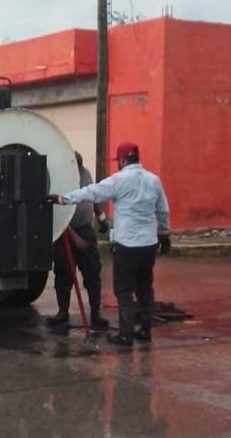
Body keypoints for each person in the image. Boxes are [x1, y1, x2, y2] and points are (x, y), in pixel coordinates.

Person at [52, 142, 170, 347]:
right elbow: (163, 210)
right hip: (148, 244)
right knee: (144, 287)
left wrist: (63, 199)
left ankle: (125, 335)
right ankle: (145, 330)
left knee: (124, 290)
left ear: (123, 160)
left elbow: (91, 192)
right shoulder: (154, 180)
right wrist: (164, 234)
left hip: (127, 245)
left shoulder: (118, 181)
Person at [47, 152, 111, 331]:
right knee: (64, 275)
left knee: (92, 274)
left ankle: (96, 315)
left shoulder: (86, 173)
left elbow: (93, 196)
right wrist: (75, 239)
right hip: (65, 234)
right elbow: (59, 215)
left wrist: (102, 218)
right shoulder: (62, 178)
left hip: (85, 230)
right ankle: (62, 313)